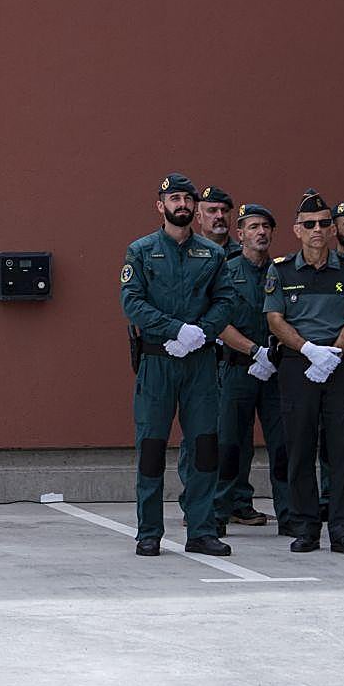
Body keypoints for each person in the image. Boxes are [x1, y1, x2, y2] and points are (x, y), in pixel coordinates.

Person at [121, 173, 233, 558]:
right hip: (157, 361)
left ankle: (201, 530)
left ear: (194, 207)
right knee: (152, 447)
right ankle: (148, 531)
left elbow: (226, 300)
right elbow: (132, 303)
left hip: (200, 362)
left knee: (204, 447)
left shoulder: (213, 254)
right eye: (174, 199)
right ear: (161, 205)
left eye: (187, 199)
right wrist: (174, 330)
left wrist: (200, 332)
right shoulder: (141, 251)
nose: (181, 205)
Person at [265, 193, 344, 556]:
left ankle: (343, 529)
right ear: (296, 229)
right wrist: (309, 351)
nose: (318, 230)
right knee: (300, 448)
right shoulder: (280, 270)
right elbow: (275, 319)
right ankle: (306, 527)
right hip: (298, 365)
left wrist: (334, 353)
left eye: (324, 223)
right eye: (309, 224)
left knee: (342, 449)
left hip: (340, 364)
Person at [214, 202, 287, 533]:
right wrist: (254, 351)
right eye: (253, 227)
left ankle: (291, 514)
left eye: (266, 227)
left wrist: (273, 355)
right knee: (230, 443)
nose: (261, 232)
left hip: (277, 372)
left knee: (283, 444)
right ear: (240, 234)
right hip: (238, 368)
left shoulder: (284, 271)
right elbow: (219, 322)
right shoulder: (226, 271)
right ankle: (221, 512)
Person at [198, 185, 236, 251]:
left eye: (224, 210)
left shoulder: (243, 254)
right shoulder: (188, 252)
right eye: (212, 210)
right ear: (199, 218)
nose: (220, 216)